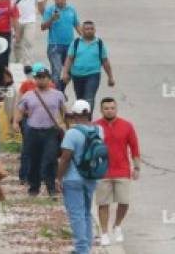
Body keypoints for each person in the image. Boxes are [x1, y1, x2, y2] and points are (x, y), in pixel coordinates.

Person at [56, 100, 104, 254]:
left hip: (73, 178)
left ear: (74, 115)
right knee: (86, 213)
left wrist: (59, 178)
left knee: (76, 214)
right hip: (91, 177)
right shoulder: (99, 130)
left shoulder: (72, 133)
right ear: (89, 113)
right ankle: (86, 246)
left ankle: (81, 249)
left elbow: (65, 158)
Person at [12, 63, 65, 198]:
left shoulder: (58, 94)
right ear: (35, 79)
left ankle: (51, 188)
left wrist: (65, 125)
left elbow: (64, 112)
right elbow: (20, 110)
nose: (41, 80)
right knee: (34, 160)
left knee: (50, 159)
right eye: (38, 77)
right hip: (33, 131)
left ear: (49, 78)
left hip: (50, 132)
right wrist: (16, 122)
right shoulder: (29, 95)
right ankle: (34, 188)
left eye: (43, 77)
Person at [94, 97, 141, 246]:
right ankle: (104, 233)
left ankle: (117, 225)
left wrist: (137, 167)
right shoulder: (95, 127)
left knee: (124, 201)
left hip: (122, 170)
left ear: (116, 109)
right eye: (106, 108)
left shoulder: (127, 126)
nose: (109, 110)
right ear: (101, 110)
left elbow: (134, 147)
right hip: (102, 172)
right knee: (103, 203)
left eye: (112, 108)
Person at [61, 21, 115, 108]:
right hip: (77, 75)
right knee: (80, 100)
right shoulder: (76, 43)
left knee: (89, 98)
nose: (89, 31)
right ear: (82, 30)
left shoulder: (99, 43)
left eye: (91, 29)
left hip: (93, 75)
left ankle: (88, 119)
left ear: (95, 30)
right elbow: (69, 59)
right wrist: (65, 73)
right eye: (87, 29)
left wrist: (110, 77)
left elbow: (105, 61)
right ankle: (81, 118)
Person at [40, 0, 81, 91]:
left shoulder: (71, 10)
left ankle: (60, 88)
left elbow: (76, 25)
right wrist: (52, 19)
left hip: (70, 46)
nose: (59, 1)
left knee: (72, 70)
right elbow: (43, 27)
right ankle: (56, 93)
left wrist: (84, 38)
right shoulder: (50, 10)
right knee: (56, 71)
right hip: (55, 46)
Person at [7, 0, 46, 73]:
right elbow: (8, 4)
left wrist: (45, 17)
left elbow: (41, 3)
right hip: (17, 20)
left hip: (30, 20)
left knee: (29, 41)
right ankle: (18, 61)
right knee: (17, 42)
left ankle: (27, 63)